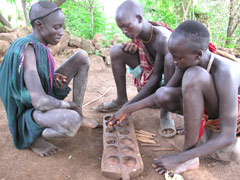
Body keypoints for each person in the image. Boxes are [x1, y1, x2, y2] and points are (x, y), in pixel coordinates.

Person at [108, 20, 240, 174]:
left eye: (178, 58)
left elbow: (228, 136)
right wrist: (127, 109)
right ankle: (192, 143)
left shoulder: (226, 73)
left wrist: (179, 158)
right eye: (173, 57)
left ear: (198, 54)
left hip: (235, 120)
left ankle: (189, 157)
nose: (174, 62)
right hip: (211, 109)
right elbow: (161, 95)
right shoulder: (187, 61)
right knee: (165, 93)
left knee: (194, 76)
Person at [0, 1, 98, 157]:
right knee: (71, 120)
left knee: (81, 57)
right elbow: (40, 102)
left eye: (61, 26)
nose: (61, 32)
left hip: (39, 96)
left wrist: (52, 76)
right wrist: (69, 105)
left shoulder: (37, 44)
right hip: (27, 111)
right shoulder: (27, 48)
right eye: (57, 27)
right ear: (39, 25)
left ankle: (80, 115)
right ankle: (35, 138)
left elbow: (30, 77)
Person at [97, 0, 177, 137]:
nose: (124, 31)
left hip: (168, 80)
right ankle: (121, 99)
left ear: (139, 19)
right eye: (121, 28)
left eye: (126, 26)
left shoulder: (162, 39)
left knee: (169, 60)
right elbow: (149, 64)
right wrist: (133, 47)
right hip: (151, 74)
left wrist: (127, 109)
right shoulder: (139, 34)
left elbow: (156, 76)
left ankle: (165, 113)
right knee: (116, 50)